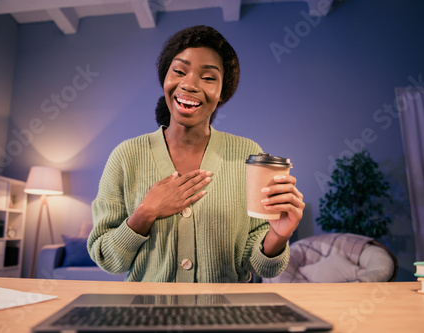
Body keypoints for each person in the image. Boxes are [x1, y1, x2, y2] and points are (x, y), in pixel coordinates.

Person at [87, 25, 305, 283]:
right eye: (179, 71)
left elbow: (262, 267)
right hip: (147, 318)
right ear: (165, 79)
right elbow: (108, 259)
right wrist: (145, 212)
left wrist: (278, 236)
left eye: (209, 77)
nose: (189, 84)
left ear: (222, 93)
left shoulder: (247, 154)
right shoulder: (125, 156)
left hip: (224, 319)